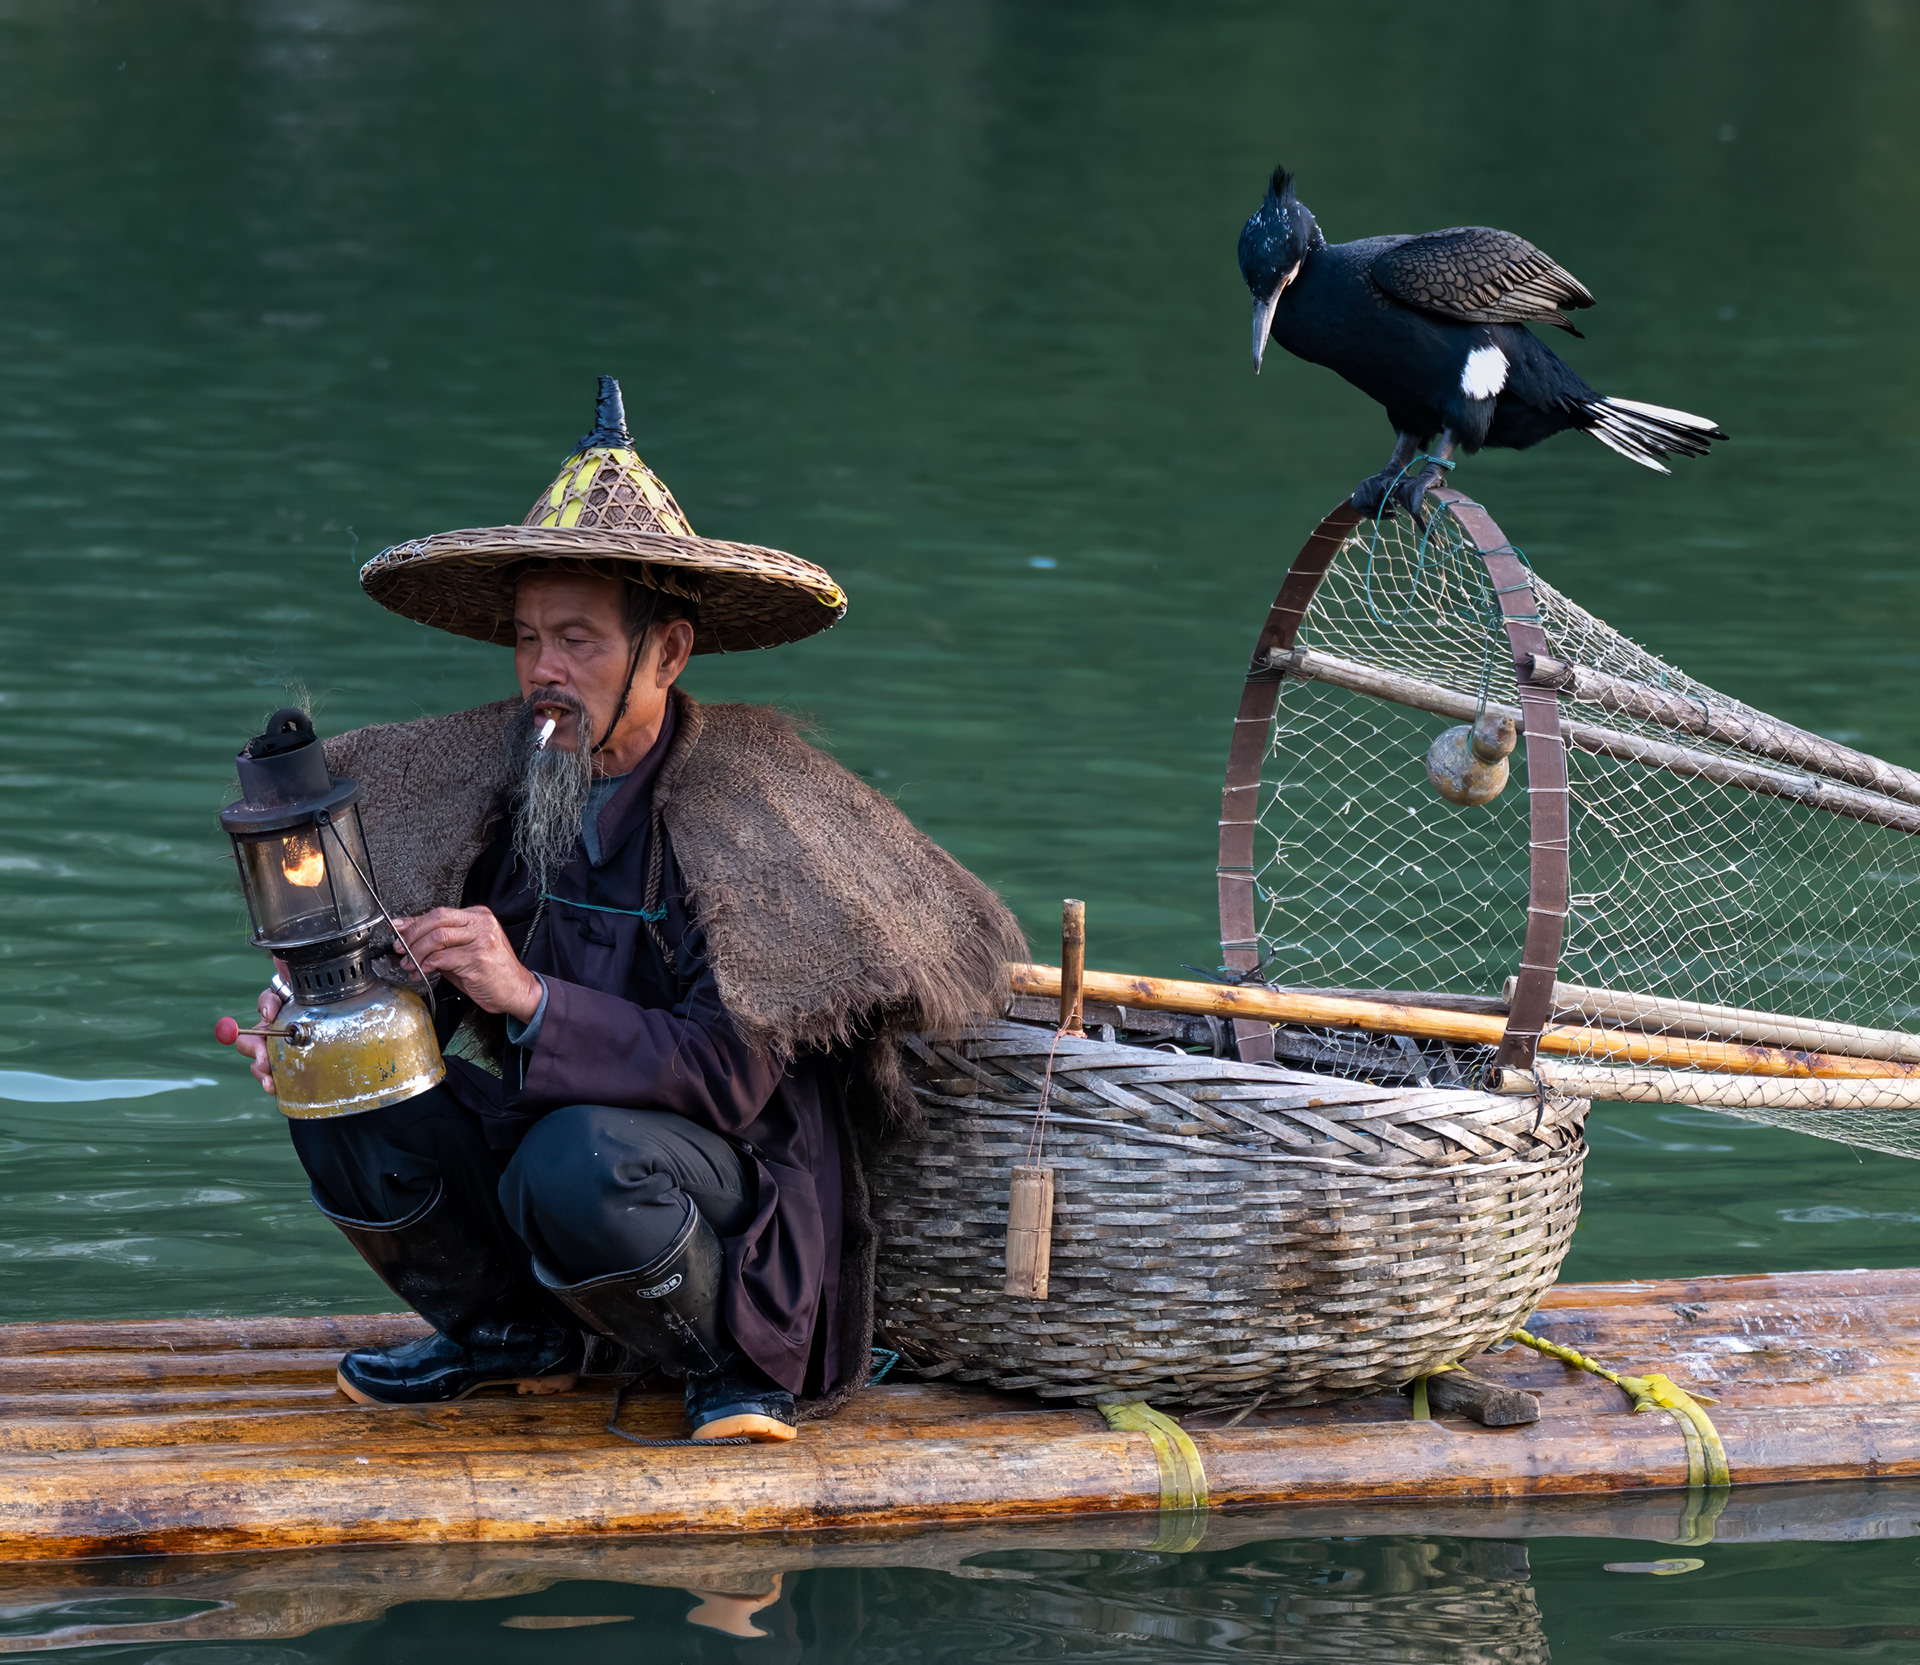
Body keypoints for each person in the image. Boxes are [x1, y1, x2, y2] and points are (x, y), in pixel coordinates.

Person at [234, 378, 1022, 1442]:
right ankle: (515, 1337)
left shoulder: (754, 815)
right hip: (561, 1159)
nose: (543, 673)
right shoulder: (513, 787)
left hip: (735, 1208)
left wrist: (529, 995)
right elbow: (425, 994)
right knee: (344, 1091)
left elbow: (733, 1078)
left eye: (579, 641)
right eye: (526, 641)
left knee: (580, 1158)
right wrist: (327, 1016)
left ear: (669, 651)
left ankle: (732, 1374)